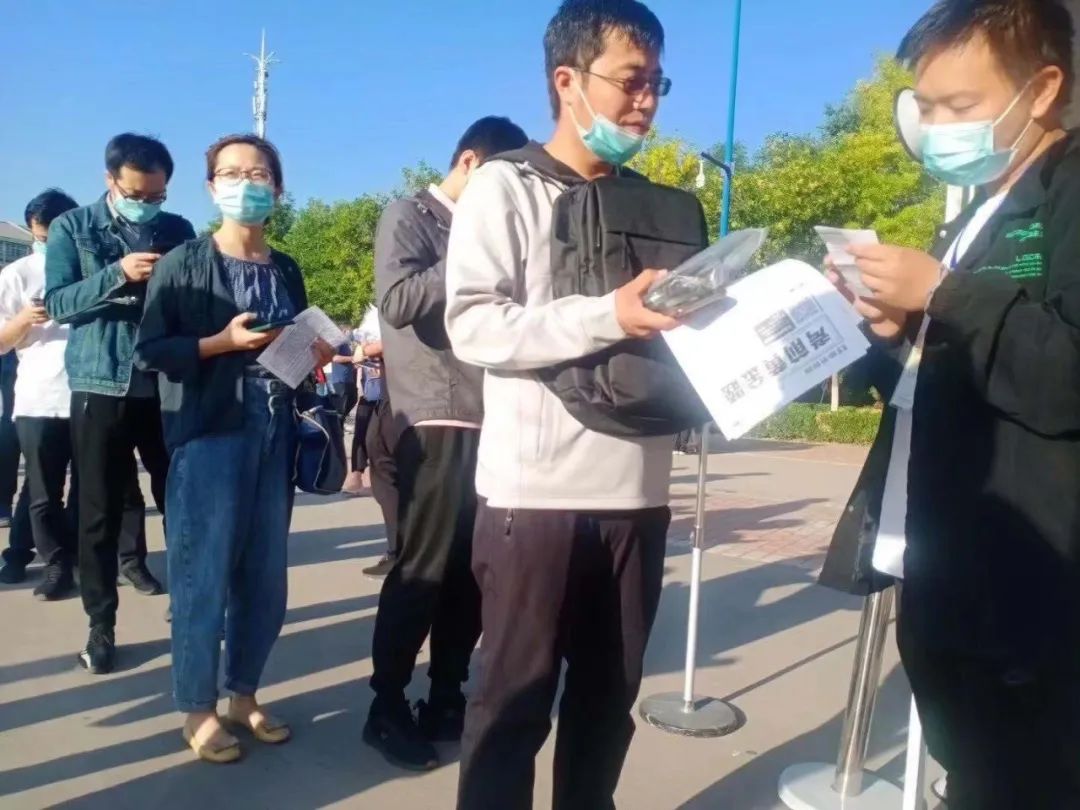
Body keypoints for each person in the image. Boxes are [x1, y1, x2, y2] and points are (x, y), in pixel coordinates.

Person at [822, 1, 1080, 807]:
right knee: (973, 771)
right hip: (945, 568)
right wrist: (892, 332)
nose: (936, 129)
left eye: (960, 106)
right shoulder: (973, 218)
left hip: (1033, 597)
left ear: (1042, 89)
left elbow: (1066, 371)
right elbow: (947, 375)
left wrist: (943, 293)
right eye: (924, 107)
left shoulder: (1069, 193)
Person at [444, 2, 681, 806]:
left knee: (608, 706)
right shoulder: (506, 186)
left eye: (657, 84)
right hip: (535, 498)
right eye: (630, 81)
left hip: (638, 494)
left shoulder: (656, 206)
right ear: (567, 80)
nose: (644, 102)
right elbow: (475, 324)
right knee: (512, 705)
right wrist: (609, 314)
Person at [136, 134, 326, 764]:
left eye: (259, 173)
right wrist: (219, 344)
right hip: (212, 432)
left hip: (275, 430)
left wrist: (313, 353)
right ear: (211, 186)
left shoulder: (287, 267)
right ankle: (198, 708)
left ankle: (244, 694)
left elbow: (290, 351)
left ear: (278, 187)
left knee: (265, 578)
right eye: (231, 173)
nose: (246, 183)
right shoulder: (182, 262)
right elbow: (151, 351)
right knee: (203, 575)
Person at [364, 115, 528, 771]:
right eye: (503, 180)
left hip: (493, 419)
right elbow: (398, 300)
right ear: (469, 164)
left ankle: (446, 694)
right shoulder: (410, 215)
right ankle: (385, 706)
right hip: (434, 416)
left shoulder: (496, 231)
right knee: (423, 569)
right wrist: (473, 252)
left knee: (471, 572)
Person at [45, 133, 195, 674]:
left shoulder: (178, 230)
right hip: (101, 383)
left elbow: (194, 302)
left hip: (167, 385)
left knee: (181, 502)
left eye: (157, 195)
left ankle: (191, 606)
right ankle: (101, 625)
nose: (148, 204)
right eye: (137, 194)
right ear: (110, 180)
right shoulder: (73, 227)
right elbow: (58, 304)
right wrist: (118, 274)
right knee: (98, 513)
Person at [0, 189, 79, 598]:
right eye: (39, 237)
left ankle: (74, 554)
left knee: (90, 486)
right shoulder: (17, 274)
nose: (44, 244)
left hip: (89, 393)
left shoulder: (92, 268)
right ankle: (46, 560)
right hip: (39, 396)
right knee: (41, 489)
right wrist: (25, 320)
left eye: (51, 237)